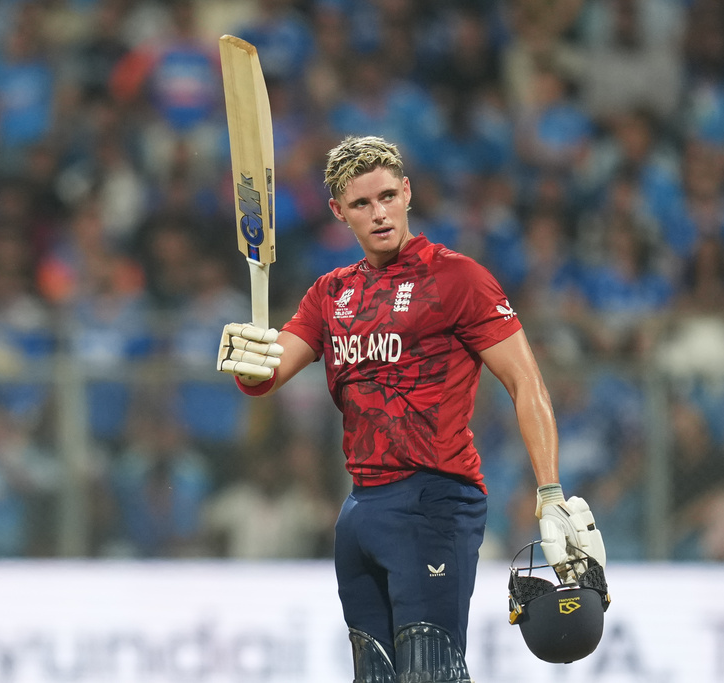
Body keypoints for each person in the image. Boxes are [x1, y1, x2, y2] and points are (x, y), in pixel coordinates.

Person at [216, 135, 606, 682]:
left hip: (435, 501)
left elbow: (526, 384)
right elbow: (268, 377)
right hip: (360, 510)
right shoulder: (329, 293)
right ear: (338, 212)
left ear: (406, 192)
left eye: (387, 197)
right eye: (361, 203)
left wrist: (549, 493)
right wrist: (248, 361)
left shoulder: (458, 279)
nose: (378, 213)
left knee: (431, 673)